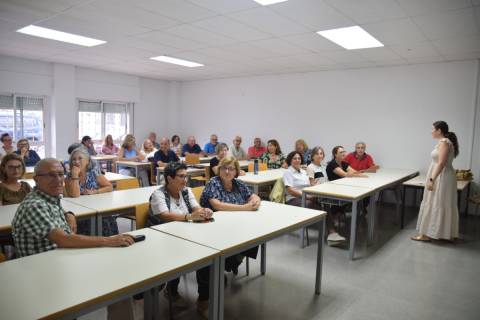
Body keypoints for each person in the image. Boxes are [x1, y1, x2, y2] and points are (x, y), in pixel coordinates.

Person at [11, 158, 136, 320]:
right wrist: (109, 240)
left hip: (60, 261)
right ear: (36, 179)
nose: (58, 180)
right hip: (45, 275)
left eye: (61, 174)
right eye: (50, 175)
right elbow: (64, 239)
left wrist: (68, 214)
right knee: (119, 282)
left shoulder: (48, 198)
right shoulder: (34, 205)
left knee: (118, 273)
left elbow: (55, 219)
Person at [199, 157, 261, 317]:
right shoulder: (213, 182)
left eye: (231, 169)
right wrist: (245, 208)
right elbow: (217, 205)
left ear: (236, 171)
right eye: (224, 168)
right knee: (211, 259)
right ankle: (206, 296)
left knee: (256, 237)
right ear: (219, 170)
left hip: (235, 227)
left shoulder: (239, 184)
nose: (227, 171)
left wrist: (256, 200)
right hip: (211, 229)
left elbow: (253, 197)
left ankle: (230, 262)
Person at [149, 162, 213, 312]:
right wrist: (190, 216)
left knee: (205, 256)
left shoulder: (186, 191)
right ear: (169, 178)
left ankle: (203, 299)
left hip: (185, 234)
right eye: (181, 176)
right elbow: (165, 216)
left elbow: (196, 207)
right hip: (163, 238)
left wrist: (204, 211)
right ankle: (171, 290)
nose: (185, 180)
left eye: (186, 176)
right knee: (178, 252)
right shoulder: (158, 194)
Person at [412, 121, 460, 242]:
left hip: (441, 176)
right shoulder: (444, 142)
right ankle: (442, 233)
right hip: (443, 175)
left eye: (433, 129)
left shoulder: (444, 142)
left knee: (436, 202)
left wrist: (432, 179)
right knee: (441, 203)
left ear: (439, 130)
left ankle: (427, 235)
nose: (431, 131)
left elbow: (441, 163)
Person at [64, 148, 116, 236]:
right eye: (74, 159)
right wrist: (75, 176)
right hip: (78, 213)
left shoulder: (93, 173)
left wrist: (95, 191)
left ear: (87, 161)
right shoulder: (69, 177)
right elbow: (75, 195)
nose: (76, 161)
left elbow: (109, 187)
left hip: (95, 207)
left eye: (80, 158)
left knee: (106, 219)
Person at [307, 147, 345, 244]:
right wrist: (317, 185)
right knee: (326, 203)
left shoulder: (323, 166)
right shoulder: (310, 167)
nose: (320, 156)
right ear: (313, 156)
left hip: (325, 191)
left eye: (321, 154)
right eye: (317, 154)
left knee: (339, 200)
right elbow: (312, 185)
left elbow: (326, 181)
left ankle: (333, 225)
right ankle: (332, 232)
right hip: (316, 194)